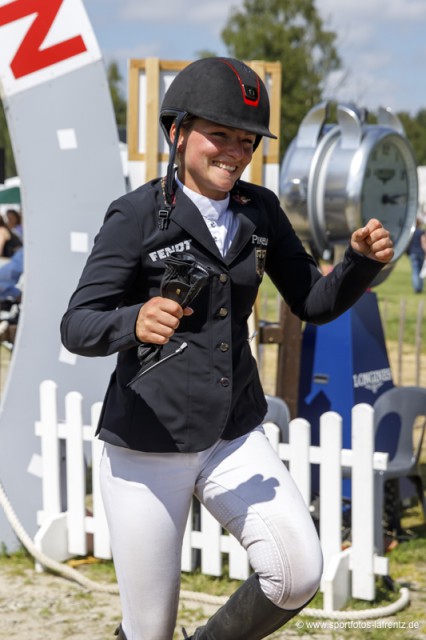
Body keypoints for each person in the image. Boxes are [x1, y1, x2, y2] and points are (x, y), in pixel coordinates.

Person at [60, 57, 394, 640]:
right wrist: (133, 320)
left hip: (234, 432)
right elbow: (77, 324)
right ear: (177, 131)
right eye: (221, 135)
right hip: (147, 443)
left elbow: (312, 302)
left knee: (296, 573)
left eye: (247, 141)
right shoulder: (135, 214)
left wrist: (359, 264)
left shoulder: (261, 210)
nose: (236, 153)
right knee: (149, 630)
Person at [406, 216, 426, 293]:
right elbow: (423, 243)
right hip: (420, 253)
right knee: (421, 271)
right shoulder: (421, 232)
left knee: (415, 270)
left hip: (412, 253)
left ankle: (416, 288)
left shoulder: (411, 232)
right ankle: (419, 288)